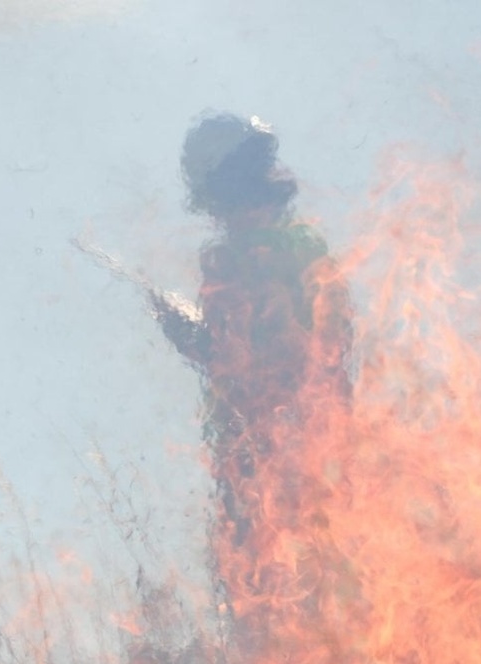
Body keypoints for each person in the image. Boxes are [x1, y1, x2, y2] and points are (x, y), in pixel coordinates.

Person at [148, 112, 354, 546]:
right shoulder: (305, 249)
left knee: (279, 588)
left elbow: (246, 364)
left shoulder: (245, 261)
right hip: (316, 458)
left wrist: (183, 331)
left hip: (272, 468)